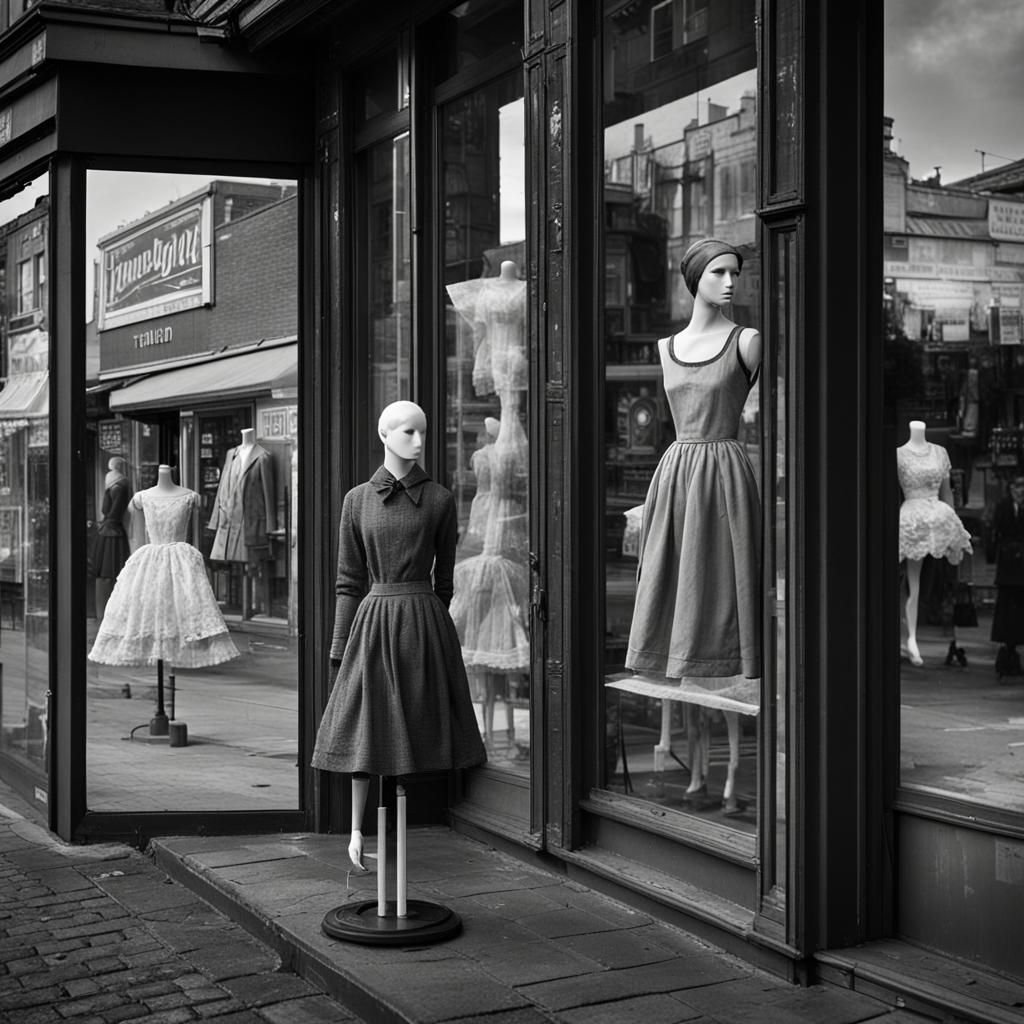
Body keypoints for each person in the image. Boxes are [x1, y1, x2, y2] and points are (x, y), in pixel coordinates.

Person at [311, 401, 486, 870]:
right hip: (372, 622)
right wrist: (338, 644)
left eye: (423, 432)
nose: (419, 441)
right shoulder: (357, 500)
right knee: (367, 725)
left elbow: (446, 579)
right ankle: (355, 831)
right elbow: (348, 580)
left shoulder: (441, 500)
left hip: (422, 625)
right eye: (408, 431)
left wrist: (430, 627)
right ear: (384, 434)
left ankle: (397, 847)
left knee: (414, 728)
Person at [624, 238, 760, 808]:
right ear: (695, 279)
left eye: (735, 272)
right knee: (677, 588)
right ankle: (682, 669)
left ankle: (726, 666)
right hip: (678, 473)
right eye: (719, 272)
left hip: (726, 472)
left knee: (724, 589)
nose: (731, 282)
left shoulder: (748, 342)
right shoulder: (665, 346)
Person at [88, 464, 240, 668]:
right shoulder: (142, 497)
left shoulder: (190, 496)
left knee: (180, 604)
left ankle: (181, 651)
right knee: (147, 605)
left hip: (181, 561)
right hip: (152, 558)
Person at [897, 420, 972, 666]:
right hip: (913, 517)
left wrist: (953, 525)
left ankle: (924, 634)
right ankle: (911, 638)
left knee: (943, 579)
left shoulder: (940, 452)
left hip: (938, 516)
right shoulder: (899, 455)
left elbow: (947, 492)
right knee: (913, 581)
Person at [991, 475, 1024, 678]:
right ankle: (1008, 650)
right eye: (1017, 488)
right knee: (1007, 609)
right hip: (1008, 566)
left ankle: (1015, 648)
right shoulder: (1003, 507)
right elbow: (996, 531)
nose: (1020, 492)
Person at [92, 457, 133, 619]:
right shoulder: (121, 484)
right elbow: (113, 510)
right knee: (112, 573)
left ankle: (107, 615)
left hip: (110, 532)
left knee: (108, 573)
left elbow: (107, 509)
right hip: (113, 532)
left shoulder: (114, 484)